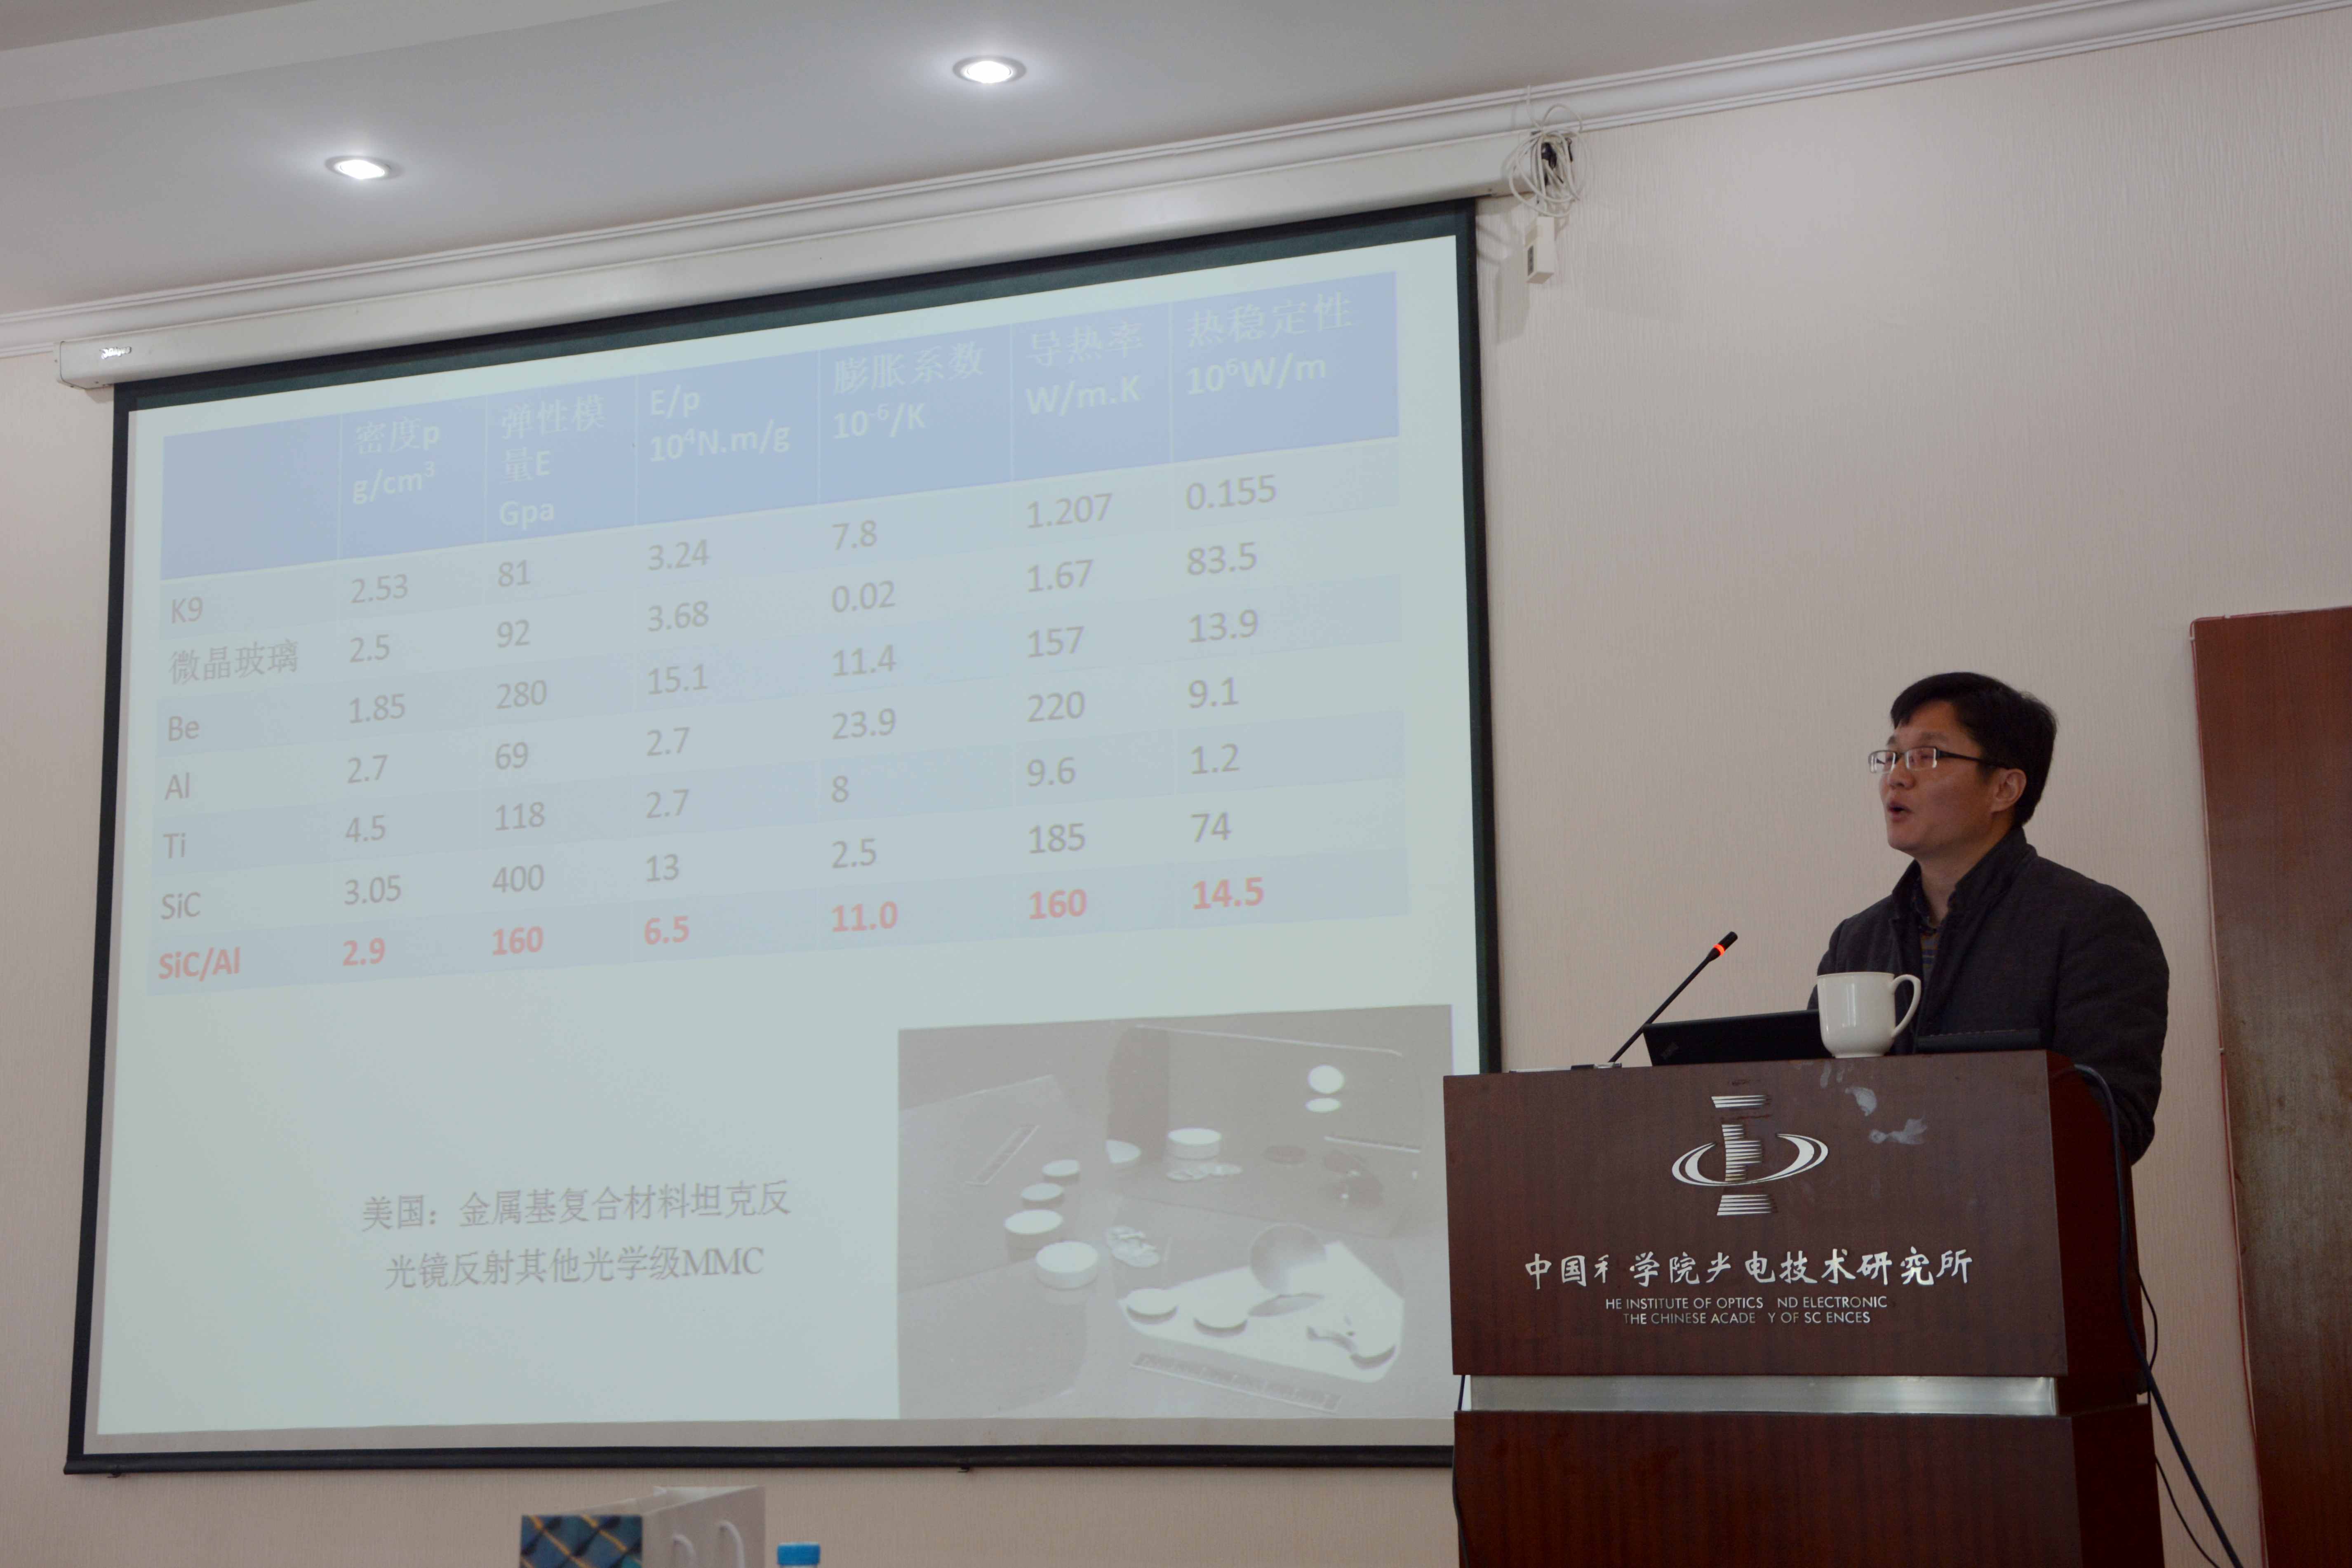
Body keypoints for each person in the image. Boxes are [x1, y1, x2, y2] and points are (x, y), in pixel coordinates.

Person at [1817, 672, 2169, 1161]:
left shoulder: (2092, 923)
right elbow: (1811, 1095)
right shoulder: (1857, 940)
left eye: (1926, 756)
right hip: (1877, 1209)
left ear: (2004, 788)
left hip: (2018, 1205)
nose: (1896, 776)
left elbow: (2114, 1122)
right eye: (1892, 756)